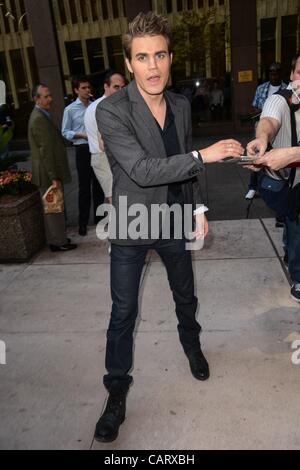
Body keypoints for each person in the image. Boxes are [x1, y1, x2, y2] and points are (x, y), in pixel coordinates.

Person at [93, 12, 244, 443]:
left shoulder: (179, 105)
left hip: (175, 218)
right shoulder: (111, 111)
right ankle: (117, 392)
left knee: (186, 294)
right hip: (131, 222)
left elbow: (181, 165)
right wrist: (204, 156)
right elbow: (141, 170)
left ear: (170, 57)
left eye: (159, 55)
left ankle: (192, 345)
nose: (153, 66)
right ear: (129, 64)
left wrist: (197, 208)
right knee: (123, 313)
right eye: (142, 57)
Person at [247, 53, 300, 302]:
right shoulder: (281, 99)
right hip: (290, 182)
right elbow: (269, 118)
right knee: (294, 221)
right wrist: (262, 138)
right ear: (292, 75)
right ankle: (298, 275)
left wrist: (292, 154)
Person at [28, 84, 77, 252]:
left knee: (52, 209)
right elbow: (45, 152)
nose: (50, 99)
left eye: (49, 95)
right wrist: (53, 177)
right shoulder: (38, 119)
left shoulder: (41, 115)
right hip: (47, 173)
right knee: (54, 209)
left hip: (47, 172)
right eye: (46, 96)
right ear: (36, 99)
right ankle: (59, 242)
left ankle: (55, 239)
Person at [62, 76, 104, 237]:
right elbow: (65, 132)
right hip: (82, 150)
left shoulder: (95, 106)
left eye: (88, 87)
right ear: (76, 90)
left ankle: (99, 220)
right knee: (84, 188)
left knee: (99, 187)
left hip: (97, 148)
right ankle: (83, 223)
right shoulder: (70, 109)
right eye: (84, 88)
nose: (87, 90)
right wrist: (80, 135)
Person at [245, 62, 287, 200]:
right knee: (256, 156)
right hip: (260, 127)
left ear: (281, 73)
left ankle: (277, 186)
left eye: (276, 72)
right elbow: (253, 109)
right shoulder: (261, 88)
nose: (273, 75)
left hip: (280, 129)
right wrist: (265, 112)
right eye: (271, 72)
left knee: (277, 158)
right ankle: (253, 187)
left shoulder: (286, 88)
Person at [84, 70, 126, 203]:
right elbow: (103, 142)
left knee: (114, 197)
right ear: (106, 86)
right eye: (116, 87)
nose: (120, 91)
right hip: (104, 157)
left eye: (122, 87)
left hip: (107, 156)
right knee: (114, 198)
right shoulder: (102, 107)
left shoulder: (102, 105)